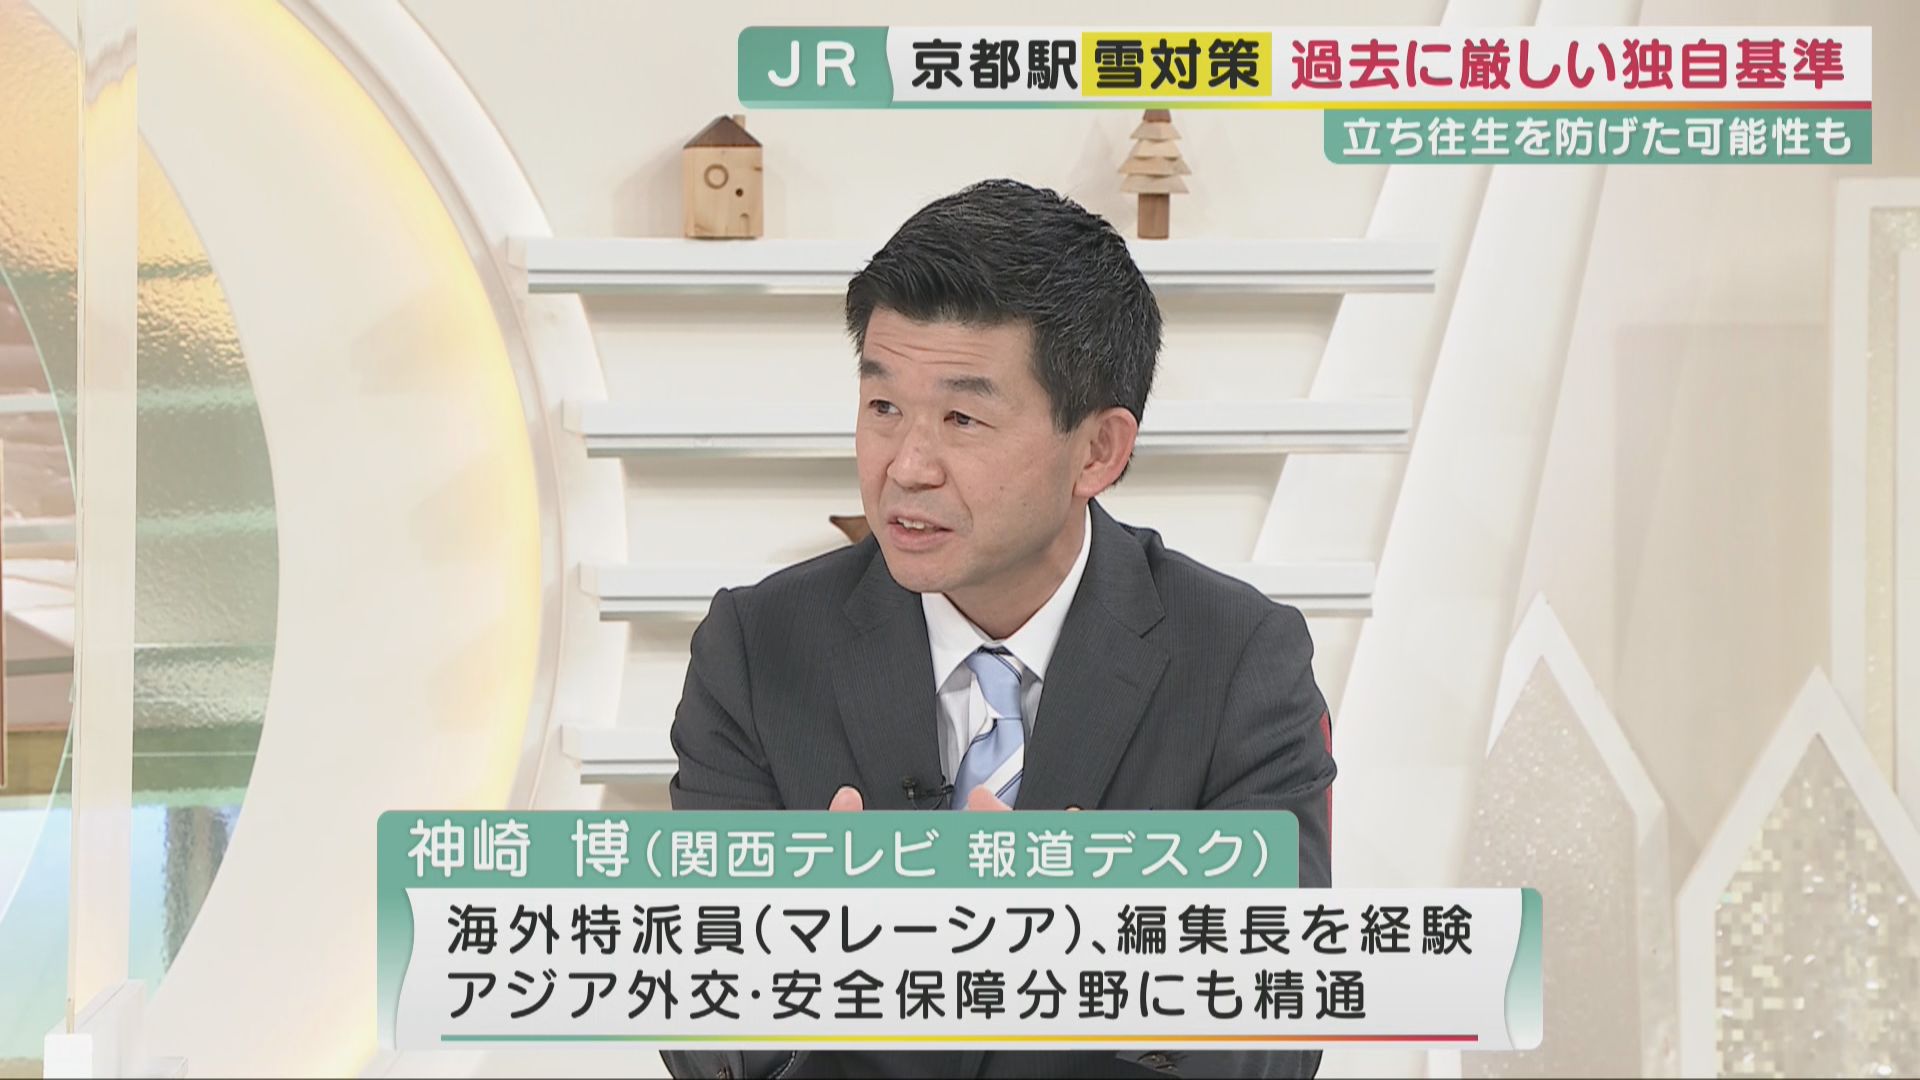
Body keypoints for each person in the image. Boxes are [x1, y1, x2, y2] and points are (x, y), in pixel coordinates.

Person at [665, 179, 1334, 1080]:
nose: (907, 466)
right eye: (883, 407)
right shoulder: (756, 647)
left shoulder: (1240, 660)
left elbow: (1277, 1039)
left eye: (963, 418)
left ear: (1098, 450)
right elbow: (700, 1040)